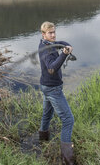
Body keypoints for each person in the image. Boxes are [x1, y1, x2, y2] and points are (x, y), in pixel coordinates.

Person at [38, 21, 75, 165]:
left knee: (47, 114)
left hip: (46, 86)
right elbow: (52, 69)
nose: (53, 35)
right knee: (68, 120)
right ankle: (67, 159)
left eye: (54, 32)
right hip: (53, 89)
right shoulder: (46, 50)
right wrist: (64, 54)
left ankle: (43, 139)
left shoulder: (47, 43)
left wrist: (66, 45)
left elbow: (60, 42)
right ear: (43, 34)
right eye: (50, 33)